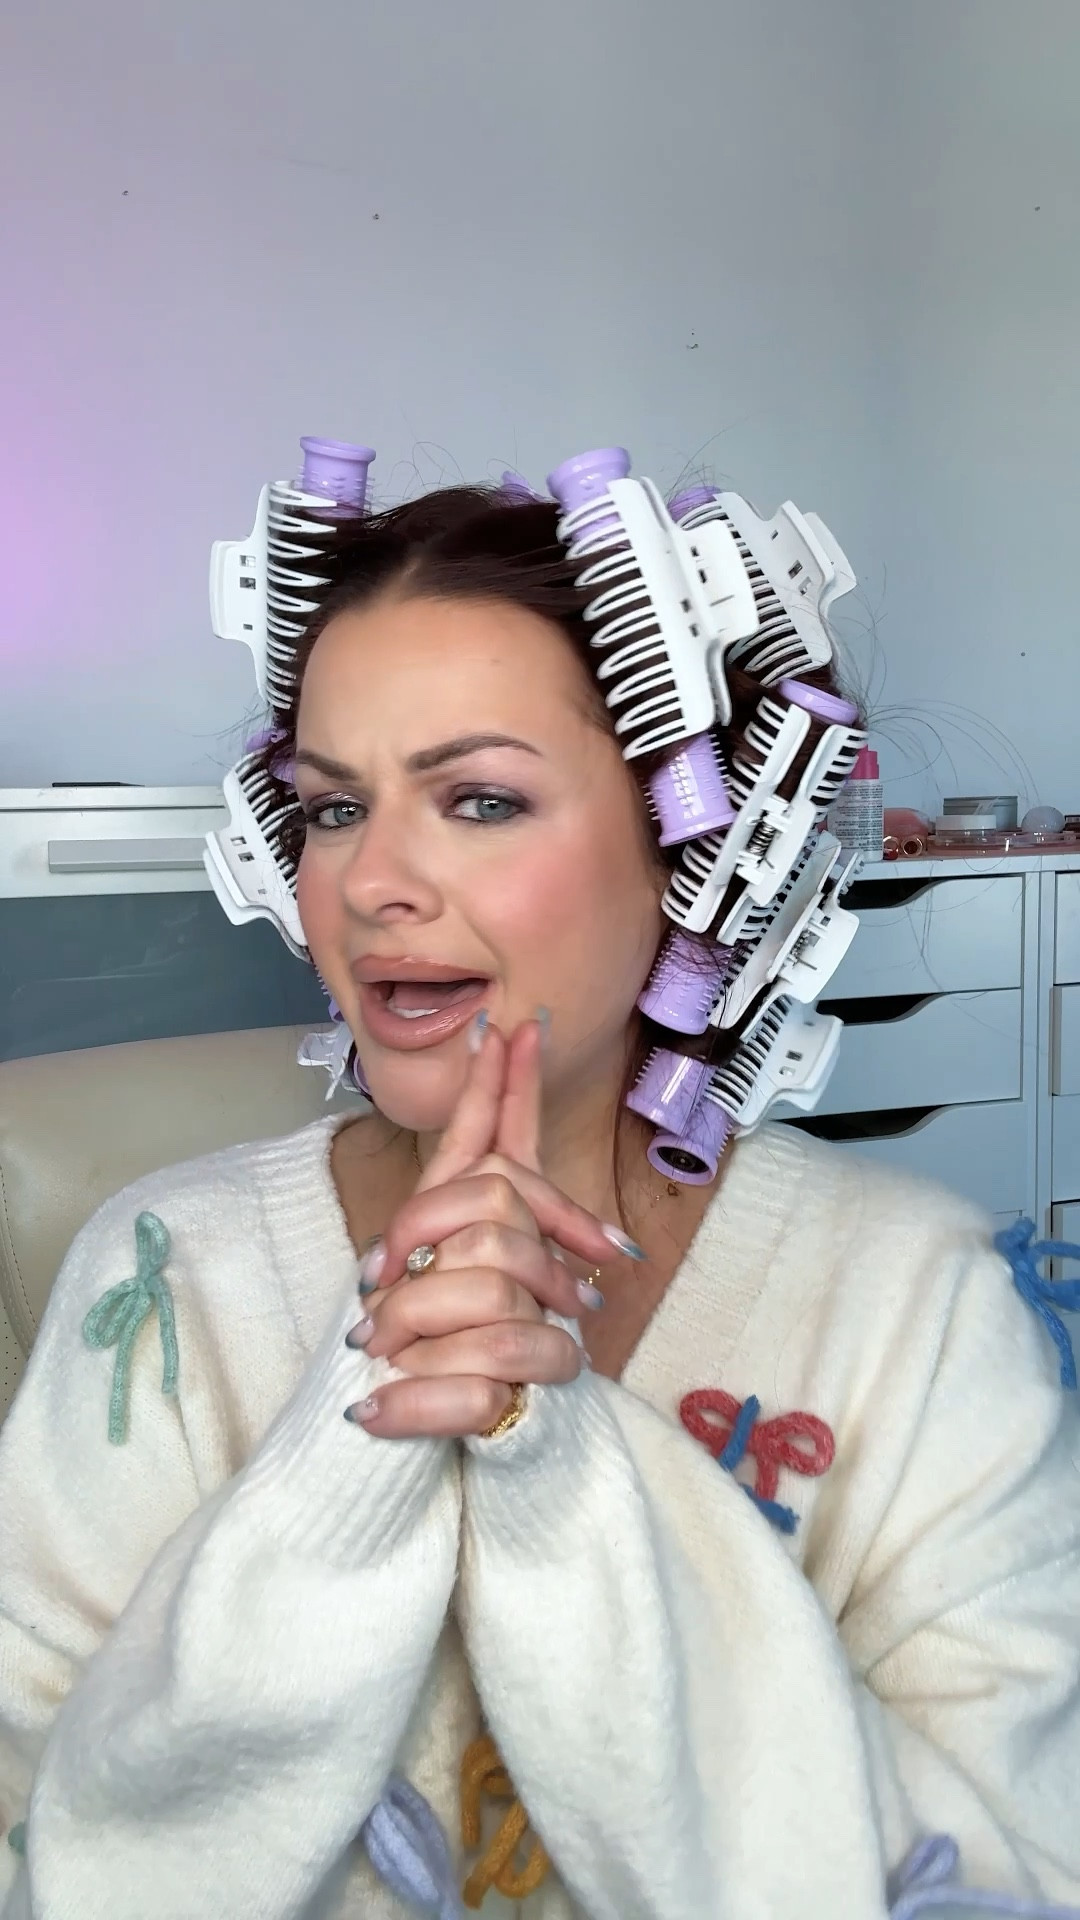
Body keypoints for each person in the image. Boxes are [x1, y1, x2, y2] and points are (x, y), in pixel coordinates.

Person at [1, 486, 1079, 1920]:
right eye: (333, 809)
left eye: (481, 800)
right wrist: (340, 1464)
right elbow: (36, 1834)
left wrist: (566, 1479)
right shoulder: (163, 1280)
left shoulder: (913, 1302)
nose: (371, 883)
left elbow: (1014, 1872)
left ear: (691, 849)